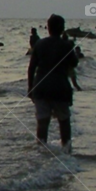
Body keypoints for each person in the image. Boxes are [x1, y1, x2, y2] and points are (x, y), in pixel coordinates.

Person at [28, 14, 80, 152]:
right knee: (64, 121)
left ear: (48, 28)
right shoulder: (66, 45)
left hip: (41, 87)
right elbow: (74, 63)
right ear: (62, 29)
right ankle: (67, 151)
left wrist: (30, 88)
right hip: (60, 89)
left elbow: (31, 68)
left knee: (43, 122)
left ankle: (41, 151)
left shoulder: (39, 44)